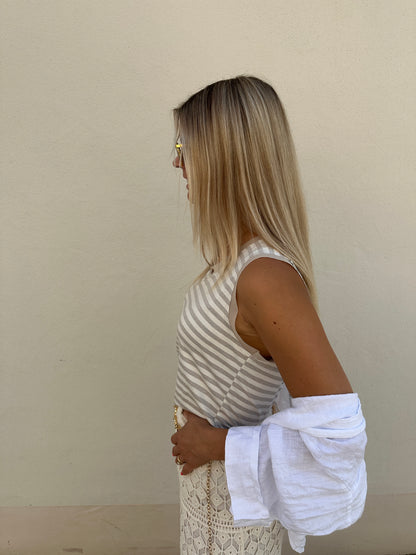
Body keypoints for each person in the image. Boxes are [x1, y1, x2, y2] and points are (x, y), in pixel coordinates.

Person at [170, 76, 367, 554]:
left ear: (224, 157)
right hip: (211, 490)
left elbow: (340, 439)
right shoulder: (235, 261)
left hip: (230, 506)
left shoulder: (263, 277)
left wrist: (215, 445)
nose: (177, 162)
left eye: (184, 147)